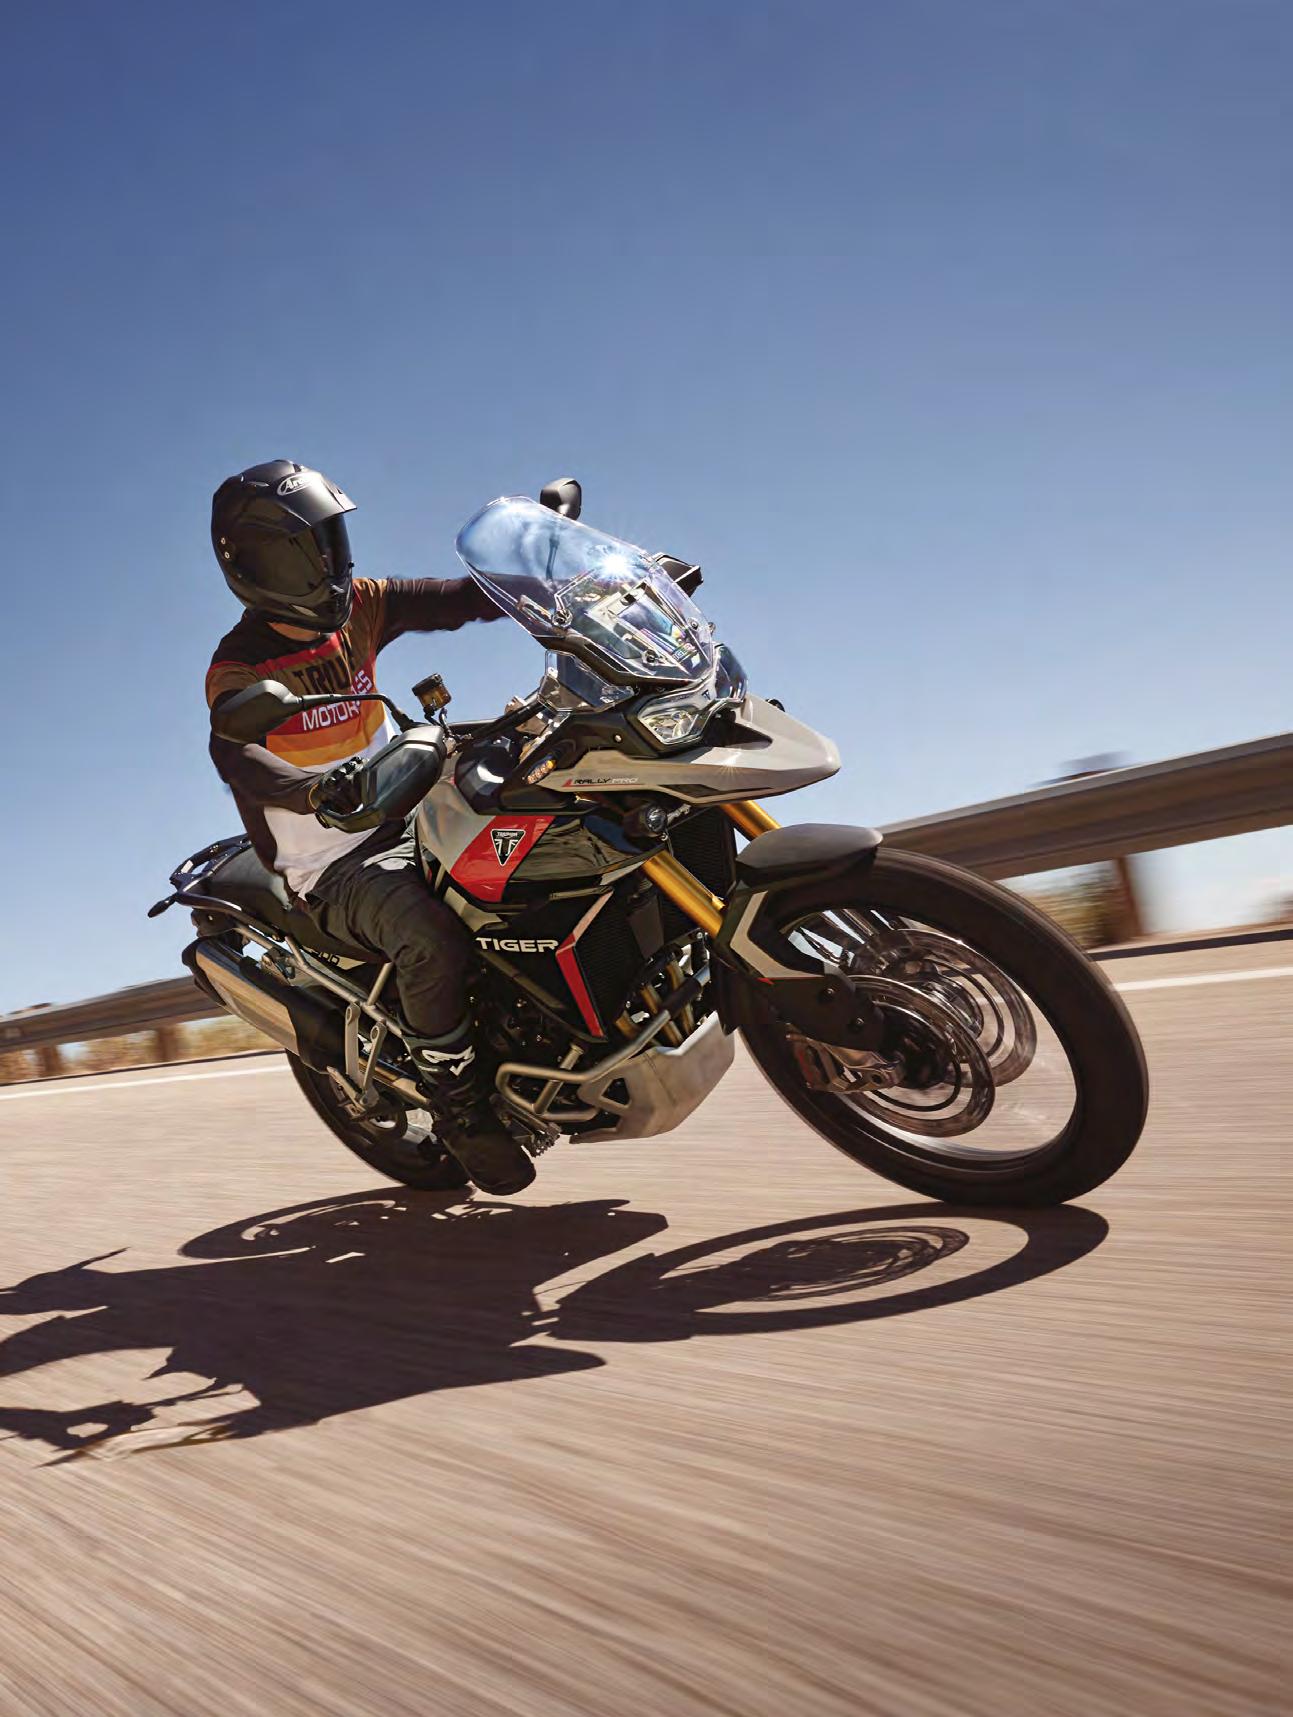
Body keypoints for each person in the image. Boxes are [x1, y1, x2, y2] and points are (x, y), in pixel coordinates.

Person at [205, 458, 534, 1194]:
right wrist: (316, 792)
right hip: (332, 860)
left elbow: (460, 599)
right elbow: (238, 756)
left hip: (409, 806)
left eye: (332, 540)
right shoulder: (239, 666)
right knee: (427, 936)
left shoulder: (360, 606)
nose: (330, 562)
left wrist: (563, 579)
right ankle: (460, 1105)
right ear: (260, 564)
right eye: (308, 549)